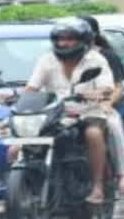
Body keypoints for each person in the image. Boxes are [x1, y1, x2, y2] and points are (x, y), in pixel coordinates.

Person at [15, 18, 115, 204]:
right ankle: (20, 194)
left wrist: (92, 94)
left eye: (70, 39)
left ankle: (97, 186)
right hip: (54, 113)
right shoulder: (47, 59)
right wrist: (18, 100)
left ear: (83, 40)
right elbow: (33, 87)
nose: (64, 43)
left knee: (93, 134)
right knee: (15, 147)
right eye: (60, 39)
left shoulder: (96, 60)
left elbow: (107, 89)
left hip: (88, 111)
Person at [77, 15, 124, 196]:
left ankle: (121, 173)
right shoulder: (57, 57)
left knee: (114, 126)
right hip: (69, 108)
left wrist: (107, 103)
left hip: (97, 107)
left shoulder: (105, 56)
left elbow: (118, 86)